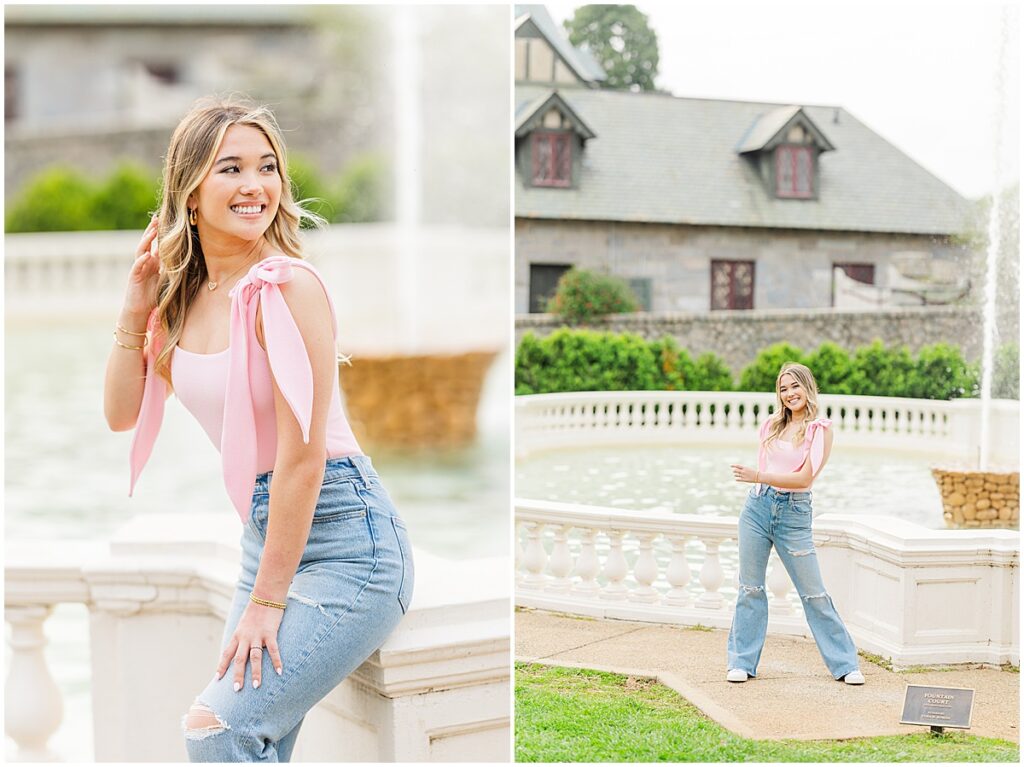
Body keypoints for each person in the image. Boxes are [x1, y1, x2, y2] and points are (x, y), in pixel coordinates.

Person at [103, 98, 414, 761]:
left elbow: (302, 462)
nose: (256, 186)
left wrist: (267, 602)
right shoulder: (180, 303)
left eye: (268, 167)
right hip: (266, 536)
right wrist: (134, 311)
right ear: (188, 193)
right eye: (231, 168)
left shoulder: (286, 287)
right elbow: (120, 412)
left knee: (217, 729)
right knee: (245, 737)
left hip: (346, 540)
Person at [725, 362, 863, 685]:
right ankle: (742, 662)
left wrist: (757, 476)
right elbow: (766, 470)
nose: (789, 394)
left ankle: (845, 664)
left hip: (794, 513)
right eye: (783, 389)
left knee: (813, 593)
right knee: (750, 588)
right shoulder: (770, 425)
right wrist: (759, 483)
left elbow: (803, 478)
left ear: (807, 387)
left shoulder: (820, 430)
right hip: (757, 508)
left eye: (795, 387)